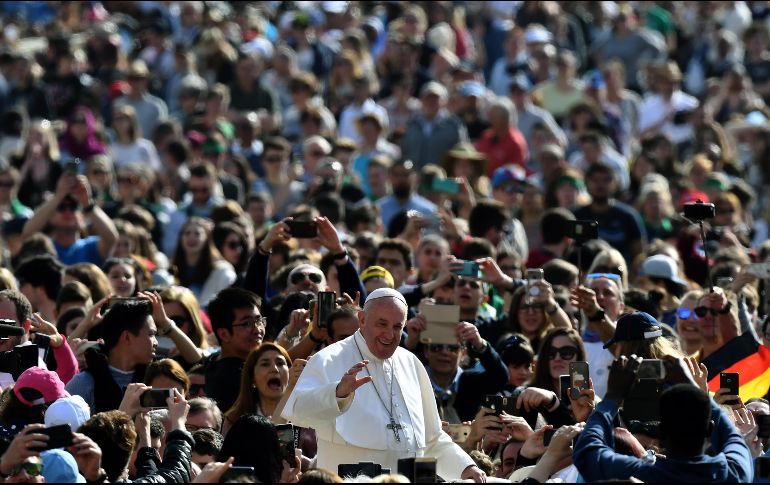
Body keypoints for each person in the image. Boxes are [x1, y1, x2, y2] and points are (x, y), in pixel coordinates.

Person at [282, 288, 486, 481]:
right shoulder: (328, 359)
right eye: (382, 324)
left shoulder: (411, 363)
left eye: (397, 327)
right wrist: (337, 393)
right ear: (362, 320)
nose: (389, 335)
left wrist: (465, 468)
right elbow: (298, 411)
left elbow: (431, 438)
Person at [573, 356, 752, 482]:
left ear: (661, 430)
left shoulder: (640, 475)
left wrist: (612, 397)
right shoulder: (734, 474)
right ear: (709, 429)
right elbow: (733, 438)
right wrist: (692, 386)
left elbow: (587, 452)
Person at [20, 171, 118, 266]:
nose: (68, 212)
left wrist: (87, 203)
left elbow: (111, 238)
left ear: (82, 216)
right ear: (50, 217)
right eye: (61, 207)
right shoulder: (43, 246)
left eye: (74, 207)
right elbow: (27, 233)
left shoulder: (91, 247)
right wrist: (58, 197)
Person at [203, 288, 265, 413]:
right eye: (247, 324)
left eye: (259, 320)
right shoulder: (236, 378)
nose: (257, 329)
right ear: (224, 334)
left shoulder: (212, 360)